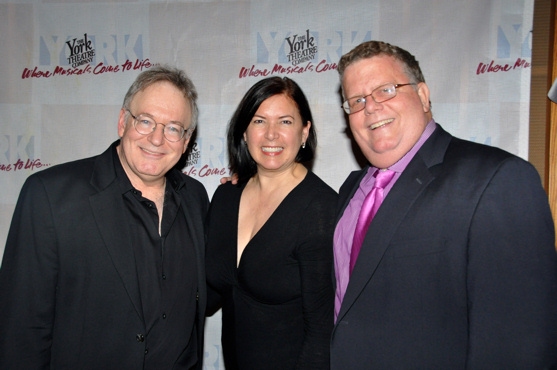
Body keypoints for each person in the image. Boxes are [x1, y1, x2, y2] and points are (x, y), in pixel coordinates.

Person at [332, 40, 557, 369]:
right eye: (357, 100)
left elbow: (521, 346)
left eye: (386, 90)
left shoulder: (497, 180)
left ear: (423, 95)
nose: (370, 107)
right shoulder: (351, 190)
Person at [0, 66, 209, 370]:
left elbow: (209, 290)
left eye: (174, 128)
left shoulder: (196, 198)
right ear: (123, 121)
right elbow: (20, 329)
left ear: (187, 140)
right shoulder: (50, 195)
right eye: (146, 121)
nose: (157, 138)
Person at [206, 76, 337, 370]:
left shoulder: (320, 210)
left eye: (286, 122)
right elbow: (210, 292)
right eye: (259, 121)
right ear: (244, 131)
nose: (271, 135)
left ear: (305, 132)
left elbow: (322, 333)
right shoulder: (226, 197)